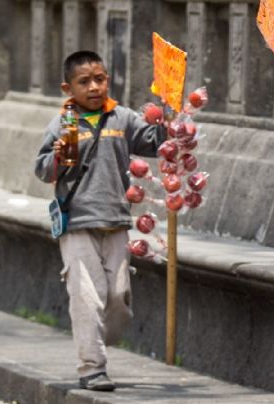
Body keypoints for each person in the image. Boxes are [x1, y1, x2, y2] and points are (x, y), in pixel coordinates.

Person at [34, 50, 166, 391]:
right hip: (77, 221)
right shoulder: (63, 123)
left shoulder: (121, 118)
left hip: (116, 219)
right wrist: (61, 156)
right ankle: (92, 367)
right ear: (68, 88)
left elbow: (154, 143)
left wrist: (170, 120)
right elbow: (42, 168)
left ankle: (94, 337)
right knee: (86, 297)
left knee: (119, 298)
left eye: (100, 79)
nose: (94, 86)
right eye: (84, 82)